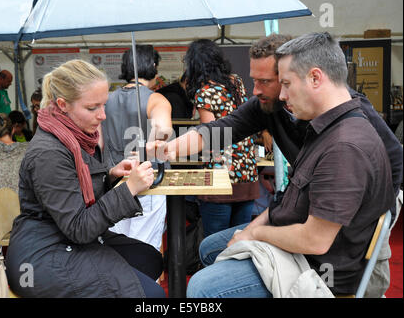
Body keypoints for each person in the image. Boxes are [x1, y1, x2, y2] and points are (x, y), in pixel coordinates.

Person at [155, 33, 403, 297]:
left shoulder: (344, 131)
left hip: (326, 248)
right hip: (303, 222)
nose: (256, 90)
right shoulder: (290, 110)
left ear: (308, 76)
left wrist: (366, 220)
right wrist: (170, 148)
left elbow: (392, 163)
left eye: (270, 82)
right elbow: (221, 130)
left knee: (204, 285)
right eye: (253, 80)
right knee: (210, 249)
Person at [5, 59, 165, 298]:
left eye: (103, 106)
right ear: (62, 105)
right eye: (92, 108)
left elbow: (75, 191)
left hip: (60, 239)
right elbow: (79, 228)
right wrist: (128, 189)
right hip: (40, 258)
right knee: (152, 296)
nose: (102, 116)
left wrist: (111, 176)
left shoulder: (72, 136)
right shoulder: (48, 153)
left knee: (149, 259)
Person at [181, 39, 260, 237]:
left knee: (215, 241)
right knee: (240, 239)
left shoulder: (204, 93)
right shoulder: (236, 81)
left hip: (221, 175)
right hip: (247, 171)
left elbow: (211, 138)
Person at [101, 45, 172, 251]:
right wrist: (146, 149)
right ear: (153, 66)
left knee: (116, 252)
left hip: (113, 185)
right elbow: (163, 129)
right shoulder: (156, 99)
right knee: (144, 253)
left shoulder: (106, 100)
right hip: (147, 183)